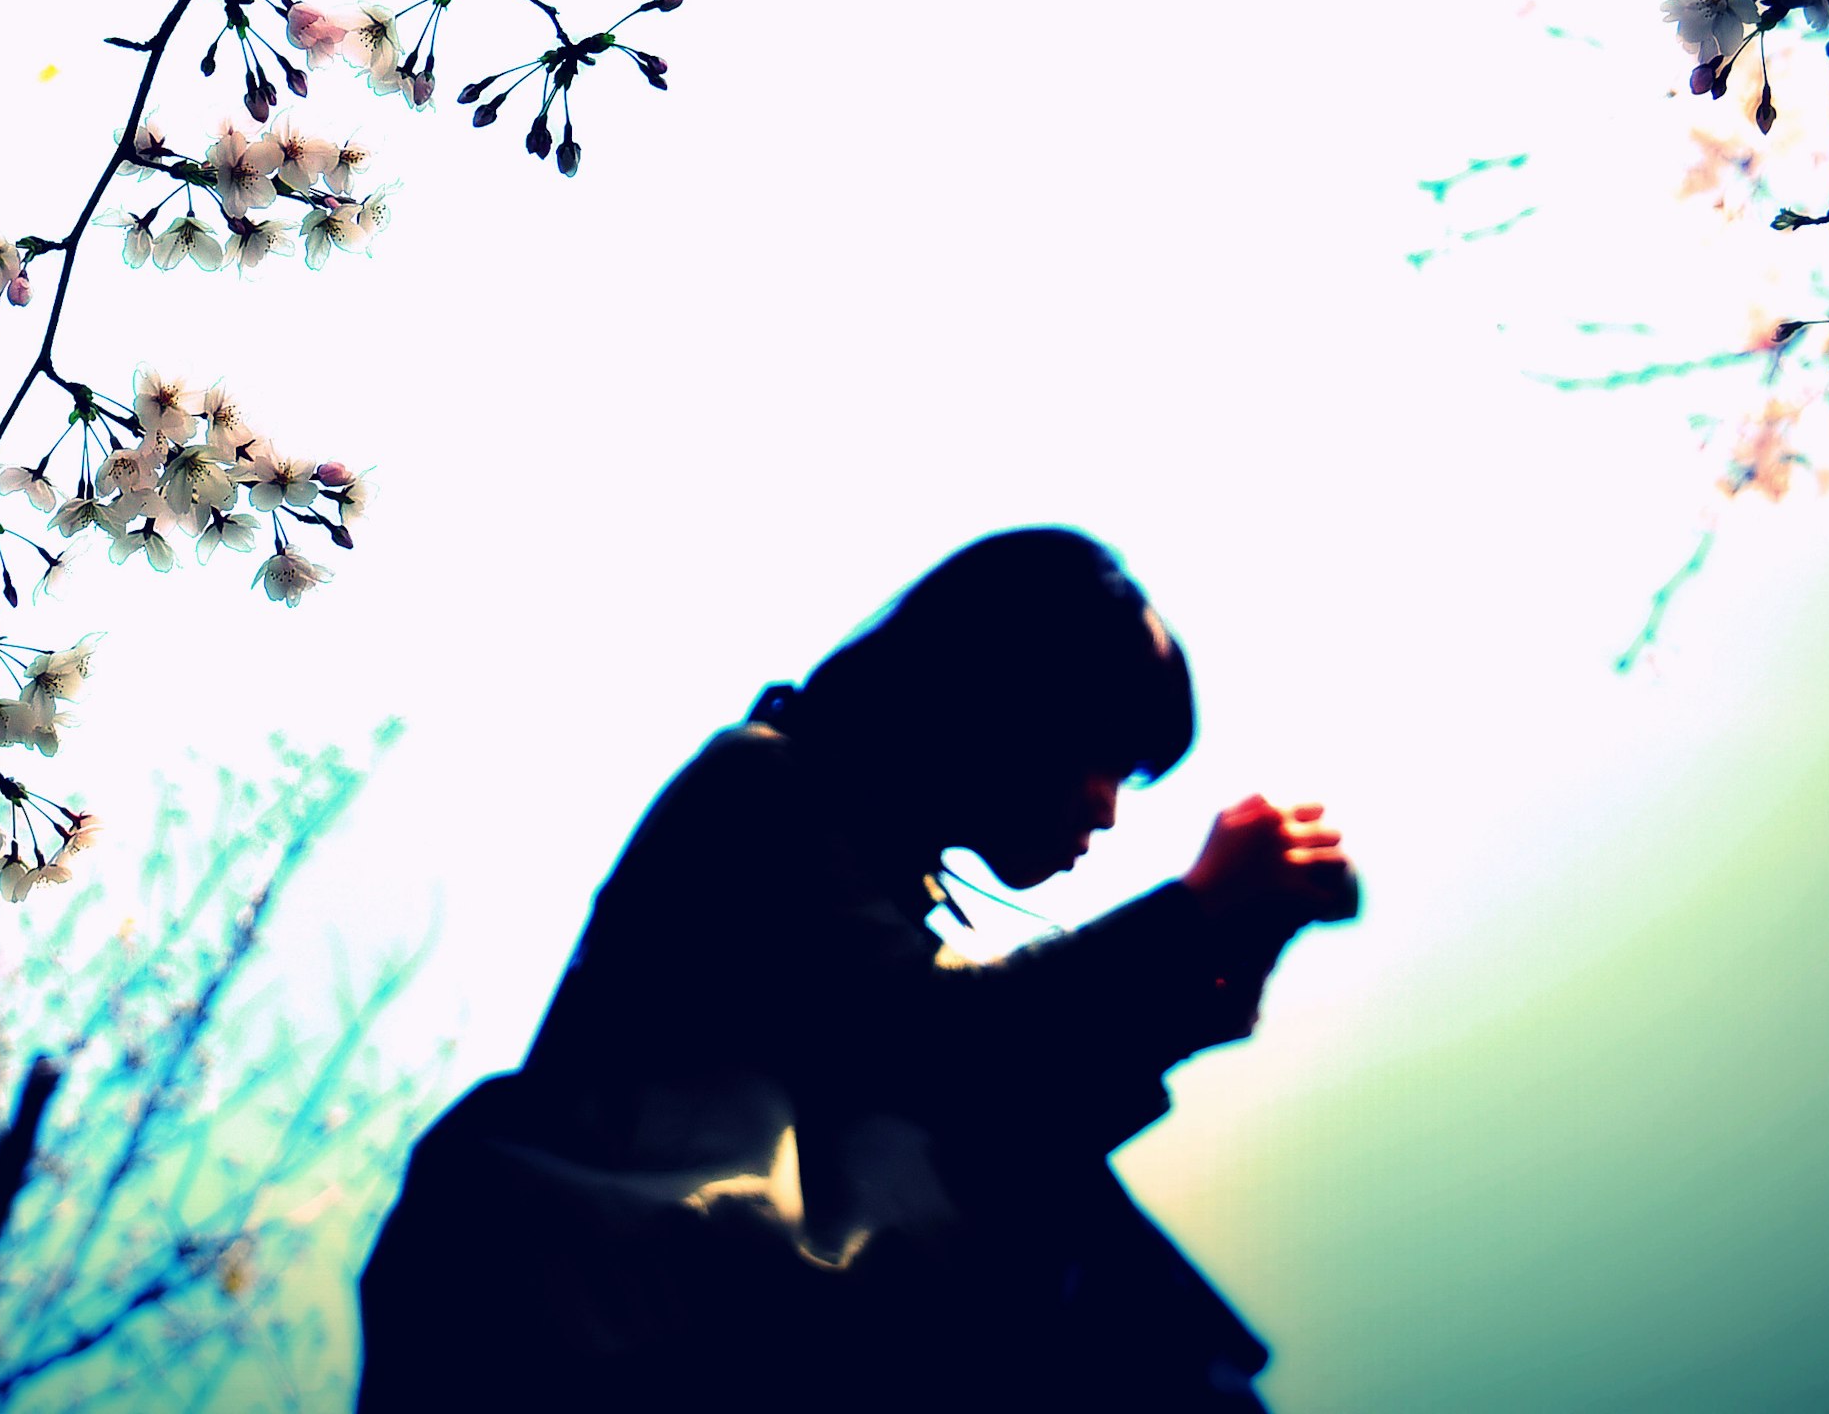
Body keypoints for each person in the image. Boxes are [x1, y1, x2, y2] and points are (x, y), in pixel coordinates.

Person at [357, 530, 1356, 1410]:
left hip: (713, 1316)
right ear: (1006, 684)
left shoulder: (884, 890)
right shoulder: (761, 780)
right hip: (616, 1307)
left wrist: (1215, 961)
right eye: (1104, 749)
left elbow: (985, 1081)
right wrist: (1194, 915)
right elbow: (943, 1053)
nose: (1106, 808)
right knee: (1091, 1263)